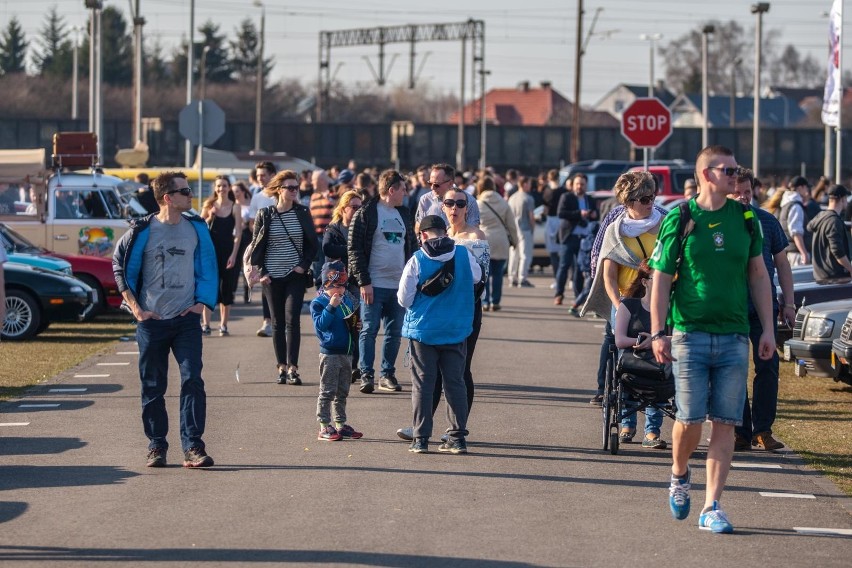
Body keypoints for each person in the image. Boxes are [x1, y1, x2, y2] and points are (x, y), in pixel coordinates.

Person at [650, 145, 775, 534]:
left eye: (738, 171)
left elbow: (758, 274)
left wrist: (767, 328)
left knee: (725, 423)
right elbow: (661, 278)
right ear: (707, 174)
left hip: (735, 336)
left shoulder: (747, 218)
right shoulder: (681, 217)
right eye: (730, 170)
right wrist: (658, 331)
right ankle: (679, 472)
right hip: (690, 333)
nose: (737, 177)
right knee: (688, 419)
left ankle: (712, 506)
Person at [112, 171, 218, 468]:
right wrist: (136, 308)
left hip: (186, 320)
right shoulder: (141, 230)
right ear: (167, 197)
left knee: (192, 379)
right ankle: (157, 445)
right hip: (151, 321)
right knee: (152, 386)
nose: (190, 195)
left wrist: (201, 303)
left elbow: (209, 266)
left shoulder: (196, 228)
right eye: (184, 191)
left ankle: (193, 446)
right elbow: (118, 266)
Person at [582, 171, 665, 447]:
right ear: (627, 201)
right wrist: (619, 307)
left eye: (652, 196)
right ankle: (627, 423)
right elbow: (607, 275)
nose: (649, 202)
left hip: (659, 304)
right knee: (626, 365)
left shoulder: (665, 225)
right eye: (643, 198)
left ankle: (653, 429)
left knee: (660, 364)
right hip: (627, 304)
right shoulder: (615, 232)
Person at [398, 214, 481, 454]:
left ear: (422, 234)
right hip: (456, 329)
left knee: (423, 384)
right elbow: (477, 277)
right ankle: (456, 438)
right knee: (455, 383)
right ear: (445, 231)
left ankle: (421, 438)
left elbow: (404, 298)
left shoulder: (417, 259)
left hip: (423, 331)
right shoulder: (464, 254)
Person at [731, 167, 795, 452]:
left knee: (768, 367)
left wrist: (789, 303)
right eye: (738, 192)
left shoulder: (767, 222)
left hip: (763, 307)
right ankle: (741, 431)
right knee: (734, 369)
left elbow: (782, 264)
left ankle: (763, 430)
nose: (744, 198)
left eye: (747, 192)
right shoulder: (720, 224)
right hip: (730, 307)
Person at [247, 170, 319, 385]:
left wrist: (303, 266)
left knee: (292, 320)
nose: (294, 191)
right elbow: (256, 247)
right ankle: (281, 366)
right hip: (271, 277)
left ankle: (293, 368)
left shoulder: (302, 212)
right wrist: (262, 272)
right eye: (290, 187)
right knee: (277, 322)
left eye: (296, 187)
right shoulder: (265, 214)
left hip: (294, 275)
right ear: (279, 190)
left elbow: (313, 244)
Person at [348, 169, 416, 394]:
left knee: (395, 332)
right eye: (403, 189)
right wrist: (363, 281)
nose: (406, 193)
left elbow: (411, 248)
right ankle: (366, 374)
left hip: (399, 285)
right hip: (373, 284)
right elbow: (354, 249)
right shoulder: (367, 213)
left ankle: (387, 374)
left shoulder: (404, 214)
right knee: (368, 329)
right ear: (391, 190)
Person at [612, 259, 667, 449]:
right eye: (656, 277)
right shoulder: (628, 306)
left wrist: (654, 340)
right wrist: (640, 342)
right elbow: (619, 340)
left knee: (662, 375)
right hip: (632, 361)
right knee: (626, 375)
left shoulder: (671, 307)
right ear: (644, 281)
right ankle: (627, 424)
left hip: (660, 363)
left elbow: (678, 337)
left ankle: (652, 431)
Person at [310, 260, 364, 442]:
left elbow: (350, 321)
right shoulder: (318, 303)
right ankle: (324, 425)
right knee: (327, 390)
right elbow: (321, 325)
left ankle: (340, 424)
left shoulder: (347, 300)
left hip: (347, 351)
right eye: (336, 286)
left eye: (343, 286)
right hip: (330, 353)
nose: (340, 290)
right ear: (327, 284)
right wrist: (331, 306)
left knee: (342, 391)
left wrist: (356, 324)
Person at [323, 190, 364, 382]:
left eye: (360, 207)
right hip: (336, 284)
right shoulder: (333, 228)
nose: (358, 211)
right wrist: (352, 248)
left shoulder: (363, 228)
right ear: (343, 208)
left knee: (354, 324)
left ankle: (354, 366)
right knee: (337, 324)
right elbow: (327, 248)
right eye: (354, 207)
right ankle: (337, 363)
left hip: (355, 281)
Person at [200, 176, 242, 336]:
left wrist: (234, 254)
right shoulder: (209, 205)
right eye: (218, 186)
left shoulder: (235, 207)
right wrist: (210, 216)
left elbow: (237, 233)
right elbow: (199, 227)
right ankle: (206, 324)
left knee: (226, 288)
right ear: (215, 188)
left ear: (229, 187)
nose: (221, 189)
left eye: (224, 186)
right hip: (210, 252)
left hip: (228, 251)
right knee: (209, 287)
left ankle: (223, 325)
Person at [477, 176, 519, 311]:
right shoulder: (503, 202)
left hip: (484, 241)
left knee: (484, 274)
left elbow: (474, 224)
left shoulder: (478, 204)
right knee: (498, 274)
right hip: (501, 240)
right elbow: (511, 225)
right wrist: (515, 240)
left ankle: (485, 301)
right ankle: (496, 301)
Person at [555, 173, 597, 306]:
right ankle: (559, 293)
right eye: (577, 184)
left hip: (585, 239)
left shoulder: (589, 199)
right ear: (573, 185)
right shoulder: (567, 197)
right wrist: (579, 214)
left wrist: (593, 214)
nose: (580, 186)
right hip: (569, 236)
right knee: (564, 265)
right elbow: (561, 213)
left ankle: (578, 297)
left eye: (582, 184)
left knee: (579, 269)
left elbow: (595, 216)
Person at [248, 161, 278, 337]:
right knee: (265, 284)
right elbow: (252, 223)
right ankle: (267, 321)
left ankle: (279, 321)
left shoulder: (281, 195)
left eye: (263, 175)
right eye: (258, 176)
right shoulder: (257, 197)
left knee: (281, 285)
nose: (260, 178)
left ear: (273, 174)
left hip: (284, 250)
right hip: (264, 250)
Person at [807, 184, 852, 284]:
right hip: (835, 277)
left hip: (820, 276)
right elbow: (838, 252)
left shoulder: (820, 216)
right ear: (843, 199)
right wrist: (850, 269)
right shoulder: (834, 221)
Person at [415, 163, 480, 230]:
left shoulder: (469, 200)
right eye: (430, 183)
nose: (432, 188)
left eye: (436, 185)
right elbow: (418, 228)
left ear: (450, 183)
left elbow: (474, 230)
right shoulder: (425, 199)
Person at [507, 175, 536, 288]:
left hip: (513, 228)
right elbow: (531, 217)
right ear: (524, 184)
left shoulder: (512, 197)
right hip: (525, 228)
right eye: (529, 183)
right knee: (525, 255)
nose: (530, 186)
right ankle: (522, 278)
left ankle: (512, 278)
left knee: (514, 254)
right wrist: (533, 228)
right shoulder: (528, 198)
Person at [778, 176, 812, 267]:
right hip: (797, 254)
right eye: (806, 187)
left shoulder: (786, 204)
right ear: (800, 188)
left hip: (790, 251)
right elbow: (796, 232)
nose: (807, 190)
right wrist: (804, 253)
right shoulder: (796, 206)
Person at [232, 181, 253, 304]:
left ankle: (247, 292)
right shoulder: (233, 205)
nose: (235, 194)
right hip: (234, 237)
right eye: (233, 192)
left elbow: (252, 223)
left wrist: (246, 223)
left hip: (246, 237)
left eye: (237, 191)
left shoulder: (249, 205)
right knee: (234, 268)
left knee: (247, 265)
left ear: (243, 192)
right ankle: (232, 293)